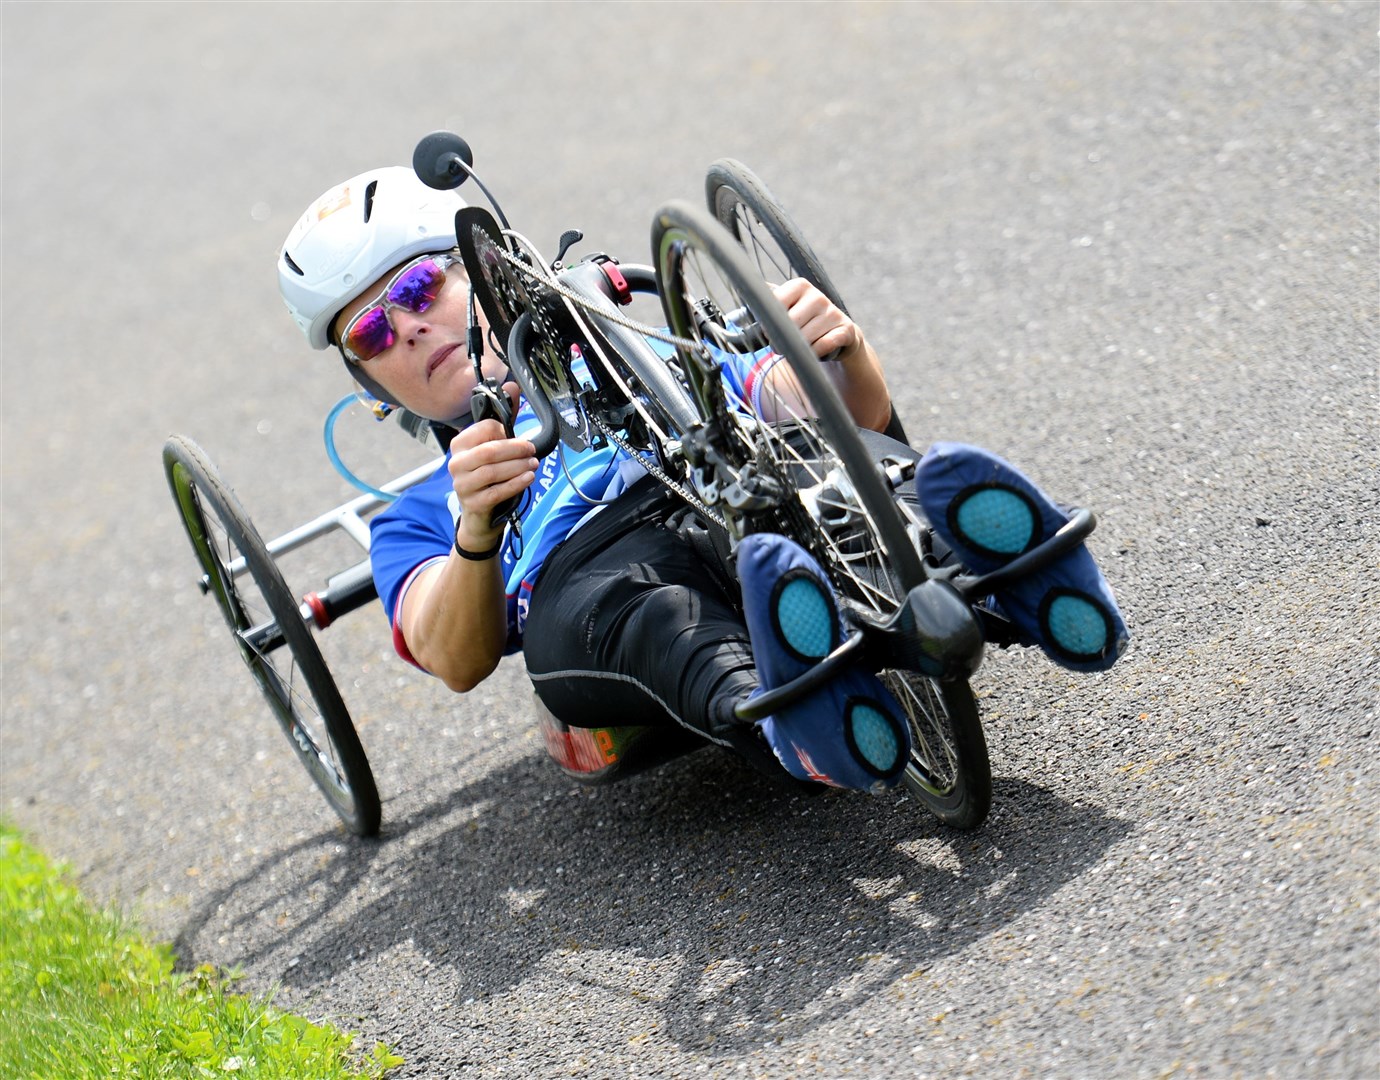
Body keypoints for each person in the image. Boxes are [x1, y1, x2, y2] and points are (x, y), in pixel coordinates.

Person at [278, 166, 1127, 792]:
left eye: (422, 284)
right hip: (586, 570)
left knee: (836, 477)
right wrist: (476, 531)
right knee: (651, 617)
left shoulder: (632, 352)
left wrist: (838, 350)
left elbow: (825, 412)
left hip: (726, 473)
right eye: (372, 335)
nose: (411, 327)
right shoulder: (420, 509)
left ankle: (1010, 572)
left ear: (478, 271)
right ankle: (797, 715)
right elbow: (451, 655)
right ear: (366, 382)